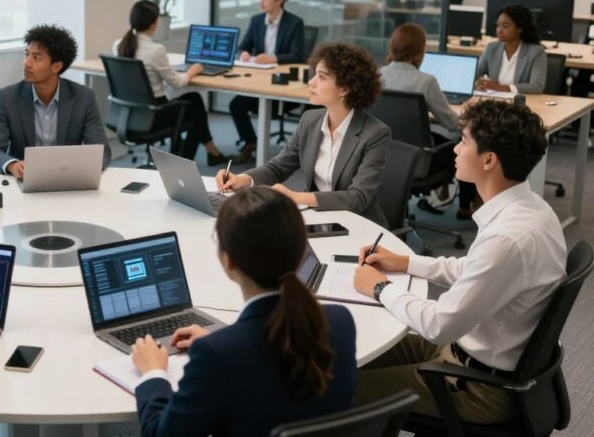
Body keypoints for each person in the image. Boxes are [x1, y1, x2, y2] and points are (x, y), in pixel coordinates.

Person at [352, 99, 566, 424]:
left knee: (338, 387)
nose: (454, 150)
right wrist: (404, 262)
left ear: (489, 160)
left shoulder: (507, 239)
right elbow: (472, 269)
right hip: (466, 357)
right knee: (344, 359)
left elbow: (440, 326)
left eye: (464, 141)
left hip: (476, 387)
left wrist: (381, 289)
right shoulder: (532, 209)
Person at [130, 187, 357, 437]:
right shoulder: (340, 321)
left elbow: (161, 434)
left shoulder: (217, 356)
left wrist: (153, 373)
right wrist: (226, 340)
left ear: (229, 261)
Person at [216, 43, 391, 226]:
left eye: (322, 77)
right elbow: (278, 167)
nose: (311, 82)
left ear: (344, 89)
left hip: (359, 226)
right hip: (317, 220)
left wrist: (297, 197)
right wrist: (242, 179)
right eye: (315, 74)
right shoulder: (310, 121)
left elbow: (357, 198)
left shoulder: (375, 134)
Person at [0, 24, 112, 177]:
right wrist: (13, 165)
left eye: (36, 58)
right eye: (27, 54)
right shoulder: (6, 98)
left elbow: (102, 152)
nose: (27, 63)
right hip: (24, 182)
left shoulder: (83, 97)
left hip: (68, 180)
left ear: (56, 66)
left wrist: (77, 169)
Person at [112, 0, 228, 165]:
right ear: (154, 24)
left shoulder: (119, 45)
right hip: (152, 115)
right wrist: (192, 71)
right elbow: (177, 83)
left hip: (126, 113)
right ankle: (183, 163)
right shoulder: (155, 50)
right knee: (194, 108)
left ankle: (209, 150)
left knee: (192, 102)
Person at [379, 23, 464, 213]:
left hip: (379, 156)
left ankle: (441, 197)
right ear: (420, 52)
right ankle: (463, 204)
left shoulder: (377, 75)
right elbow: (451, 122)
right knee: (460, 143)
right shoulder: (426, 81)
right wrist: (472, 119)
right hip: (417, 162)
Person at [229, 0, 307, 163]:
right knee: (236, 105)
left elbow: (298, 55)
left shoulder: (294, 22)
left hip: (284, 83)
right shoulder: (257, 21)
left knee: (243, 105)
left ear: (280, 0)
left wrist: (275, 58)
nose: (261, 1)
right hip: (260, 78)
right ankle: (250, 142)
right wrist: (244, 53)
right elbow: (242, 47)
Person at [474, 4, 547, 94]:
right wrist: (478, 84)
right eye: (498, 25)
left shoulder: (536, 52)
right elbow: (474, 76)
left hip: (521, 103)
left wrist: (497, 87)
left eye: (506, 26)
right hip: (493, 101)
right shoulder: (491, 48)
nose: (499, 30)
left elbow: (536, 87)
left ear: (520, 28)